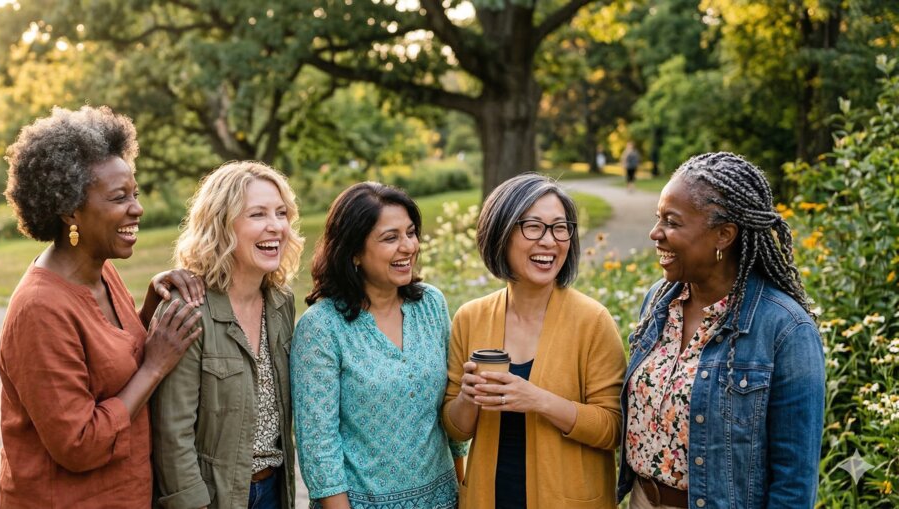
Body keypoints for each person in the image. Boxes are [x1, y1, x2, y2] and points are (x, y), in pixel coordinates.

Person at [0, 105, 207, 508]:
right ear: (70, 210)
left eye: (136, 193)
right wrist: (156, 365)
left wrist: (147, 311)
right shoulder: (40, 310)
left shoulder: (101, 271)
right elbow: (79, 444)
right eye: (119, 197)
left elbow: (111, 364)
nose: (137, 208)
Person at [619, 152, 823, 509]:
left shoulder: (785, 329)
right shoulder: (659, 300)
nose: (655, 233)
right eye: (658, 219)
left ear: (723, 235)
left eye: (672, 222)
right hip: (642, 500)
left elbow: (794, 481)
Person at [442, 174, 626, 509]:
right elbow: (457, 429)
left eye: (560, 227)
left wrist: (538, 400)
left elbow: (613, 428)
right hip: (489, 498)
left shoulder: (592, 322)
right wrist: (467, 398)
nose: (549, 241)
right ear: (501, 232)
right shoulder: (470, 318)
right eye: (533, 227)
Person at [291, 182, 461, 509]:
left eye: (411, 233)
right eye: (390, 238)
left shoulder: (431, 305)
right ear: (354, 252)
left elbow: (447, 415)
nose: (408, 246)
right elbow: (318, 445)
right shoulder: (322, 328)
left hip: (443, 500)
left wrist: (463, 490)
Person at [151, 161, 305, 509]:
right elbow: (172, 435)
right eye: (257, 215)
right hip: (213, 498)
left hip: (274, 490)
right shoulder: (188, 309)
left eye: (281, 213)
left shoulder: (281, 304)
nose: (276, 227)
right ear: (221, 226)